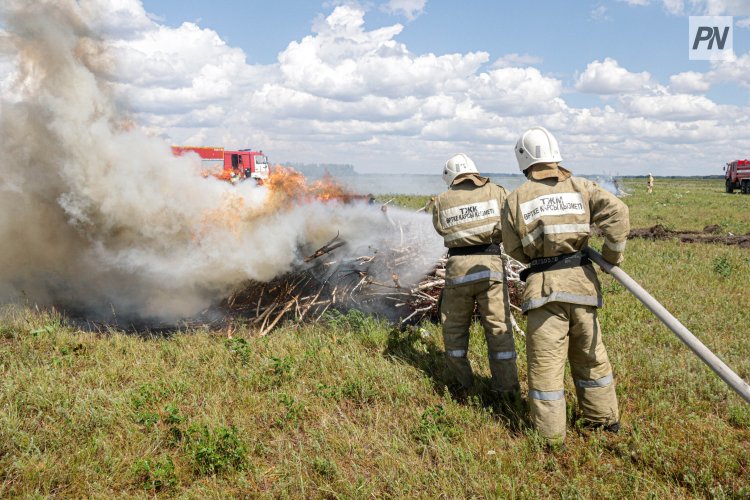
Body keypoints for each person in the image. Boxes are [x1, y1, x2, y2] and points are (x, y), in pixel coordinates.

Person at [501, 127, 629, 444]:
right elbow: (618, 211)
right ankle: (603, 421)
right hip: (582, 286)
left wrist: (537, 257)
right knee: (591, 357)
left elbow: (512, 248)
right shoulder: (581, 187)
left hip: (543, 291)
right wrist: (612, 256)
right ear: (555, 155)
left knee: (546, 367)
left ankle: (550, 436)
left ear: (523, 160)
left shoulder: (516, 198)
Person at [431, 153, 520, 400]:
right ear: (474, 171)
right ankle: (507, 390)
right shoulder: (497, 191)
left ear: (449, 177)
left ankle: (462, 386)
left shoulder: (441, 200)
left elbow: (440, 229)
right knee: (498, 329)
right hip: (490, 267)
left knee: (454, 330)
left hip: (457, 270)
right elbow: (509, 224)